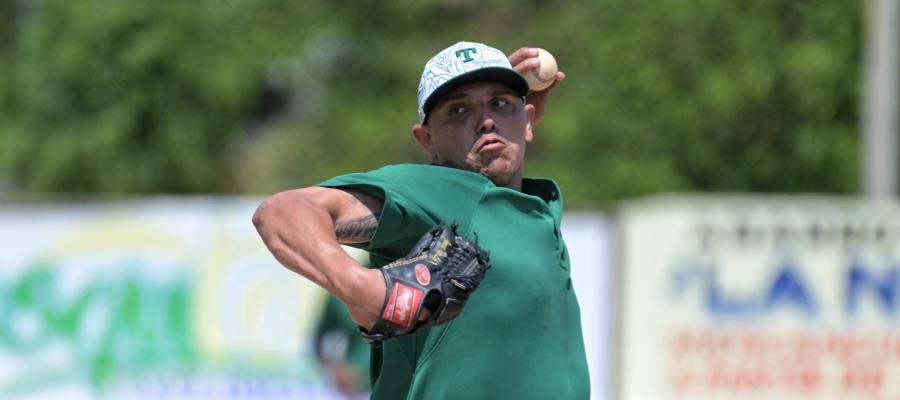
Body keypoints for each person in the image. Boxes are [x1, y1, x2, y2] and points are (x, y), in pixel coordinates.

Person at [253, 41, 590, 399]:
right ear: (427, 140)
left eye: (499, 103)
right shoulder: (438, 192)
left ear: (528, 120)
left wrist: (505, 103)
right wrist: (359, 287)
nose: (486, 120)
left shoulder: (538, 205)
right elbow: (282, 213)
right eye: (459, 109)